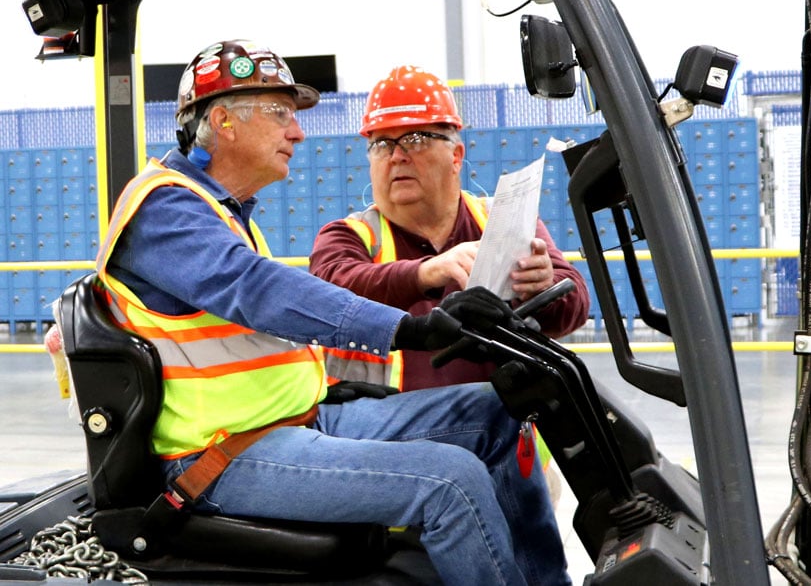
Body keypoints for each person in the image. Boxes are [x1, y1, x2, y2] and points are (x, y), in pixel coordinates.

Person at [96, 40, 570, 586]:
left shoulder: (224, 215)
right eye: (281, 115)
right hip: (222, 458)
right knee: (450, 480)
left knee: (502, 408)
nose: (297, 132)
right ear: (222, 119)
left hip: (294, 421)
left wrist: (325, 385)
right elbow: (260, 292)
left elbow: (251, 336)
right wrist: (409, 329)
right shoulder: (165, 207)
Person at [308, 65, 589, 392]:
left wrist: (542, 286)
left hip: (497, 428)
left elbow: (576, 303)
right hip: (383, 432)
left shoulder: (501, 220)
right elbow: (327, 296)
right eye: (382, 144)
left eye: (415, 139)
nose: (397, 156)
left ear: (456, 156)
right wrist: (425, 273)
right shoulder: (348, 236)